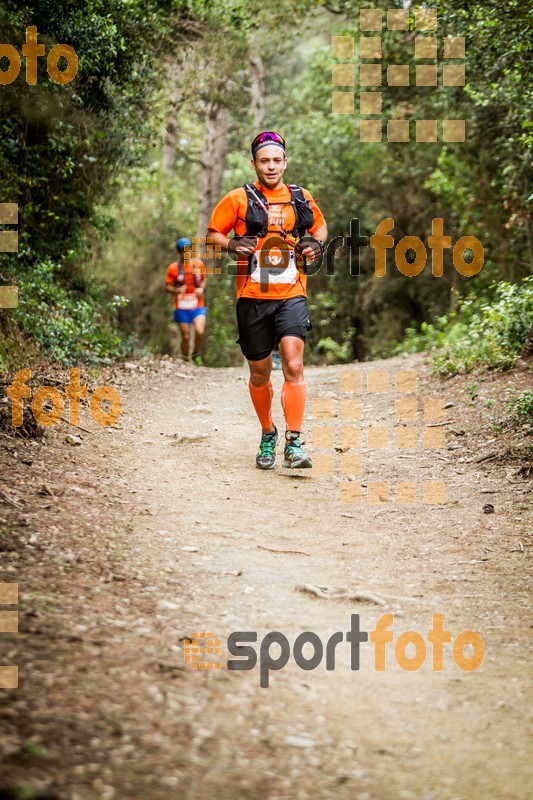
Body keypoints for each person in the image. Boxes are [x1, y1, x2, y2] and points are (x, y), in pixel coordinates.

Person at [207, 131, 327, 469]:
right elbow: (213, 233)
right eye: (264, 161)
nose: (271, 166)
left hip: (292, 293)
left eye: (277, 160)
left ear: (285, 162)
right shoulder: (237, 199)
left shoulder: (301, 197)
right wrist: (230, 246)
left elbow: (320, 227)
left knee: (293, 363)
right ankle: (267, 432)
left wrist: (316, 244)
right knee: (260, 374)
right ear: (254, 164)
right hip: (251, 297)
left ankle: (294, 441)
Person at [165, 238, 207, 365]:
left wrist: (201, 288)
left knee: (200, 331)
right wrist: (176, 290)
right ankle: (185, 359)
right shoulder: (173, 268)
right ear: (179, 252)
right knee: (186, 336)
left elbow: (204, 279)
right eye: (183, 251)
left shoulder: (198, 265)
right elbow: (167, 286)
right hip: (182, 306)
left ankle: (195, 354)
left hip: (197, 305)